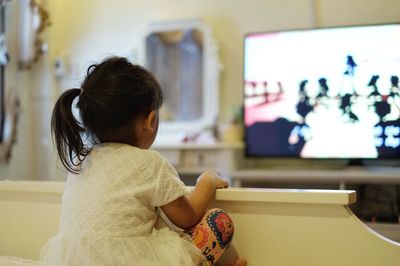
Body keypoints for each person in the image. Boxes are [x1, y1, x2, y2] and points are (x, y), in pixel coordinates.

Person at [40, 56, 246, 266]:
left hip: (70, 260)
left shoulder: (81, 161)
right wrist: (207, 181)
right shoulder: (148, 162)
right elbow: (187, 217)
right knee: (218, 222)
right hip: (130, 260)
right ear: (150, 121)